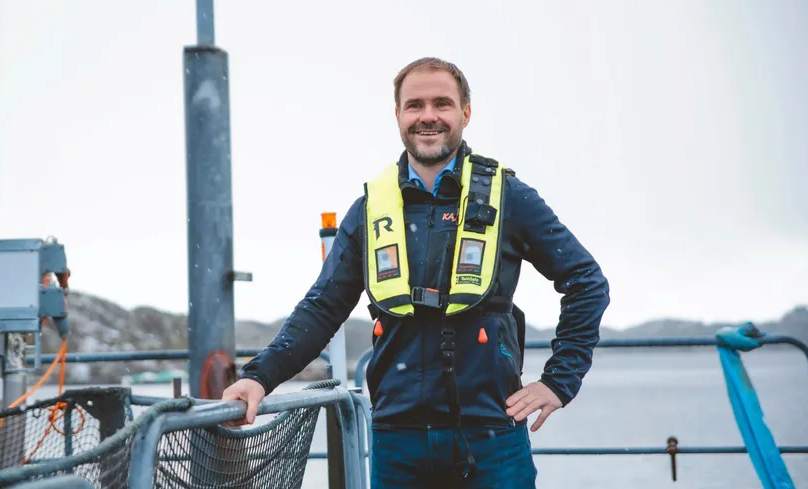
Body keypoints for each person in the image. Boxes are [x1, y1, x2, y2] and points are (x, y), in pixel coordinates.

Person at [222, 56, 611, 488]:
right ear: (398, 116)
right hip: (397, 442)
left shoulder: (510, 198)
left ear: (465, 113)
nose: (428, 116)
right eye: (415, 105)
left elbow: (587, 283)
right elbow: (323, 306)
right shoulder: (371, 209)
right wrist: (259, 377)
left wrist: (559, 382)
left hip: (492, 438)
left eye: (442, 104)